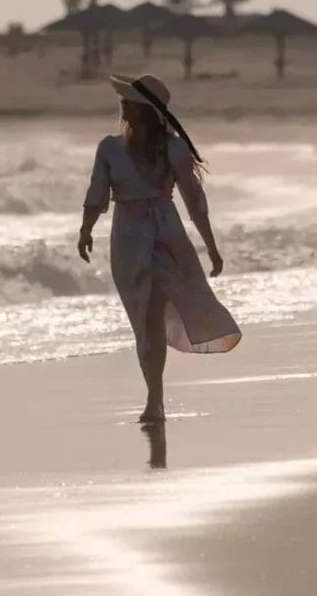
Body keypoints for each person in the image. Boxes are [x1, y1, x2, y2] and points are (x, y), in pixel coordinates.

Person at [78, 74, 241, 423]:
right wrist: (85, 229)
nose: (122, 105)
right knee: (144, 318)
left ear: (145, 109)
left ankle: (154, 399)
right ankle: (155, 395)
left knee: (154, 311)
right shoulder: (109, 148)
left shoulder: (173, 148)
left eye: (128, 101)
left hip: (167, 238)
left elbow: (194, 201)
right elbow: (97, 193)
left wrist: (210, 245)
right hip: (128, 239)